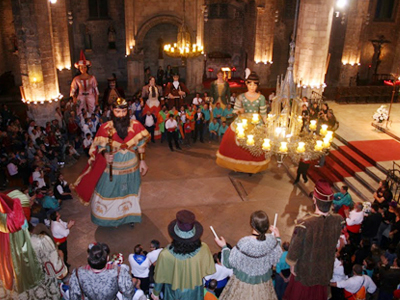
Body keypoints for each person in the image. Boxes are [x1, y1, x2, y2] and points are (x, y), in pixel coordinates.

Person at [73, 97, 149, 227]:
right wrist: (105, 154)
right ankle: (107, 219)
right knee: (108, 191)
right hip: (111, 169)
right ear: (112, 111)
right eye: (117, 112)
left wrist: (142, 161)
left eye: (123, 112)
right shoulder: (104, 128)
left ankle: (130, 217)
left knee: (131, 191)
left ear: (128, 111)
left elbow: (141, 143)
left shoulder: (136, 126)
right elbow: (96, 147)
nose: (120, 115)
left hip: (132, 168)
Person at [283, 180, 343, 300]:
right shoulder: (338, 220)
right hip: (324, 271)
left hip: (306, 272)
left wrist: (292, 265)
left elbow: (294, 250)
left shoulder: (304, 224)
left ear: (314, 200)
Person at [214, 210, 282, 300]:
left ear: (252, 224)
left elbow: (229, 263)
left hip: (242, 284)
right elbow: (276, 256)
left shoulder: (244, 243)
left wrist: (224, 247)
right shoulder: (271, 240)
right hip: (263, 284)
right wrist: (277, 237)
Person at [152, 210, 215, 300]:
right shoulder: (203, 248)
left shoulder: (165, 254)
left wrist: (156, 293)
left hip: (173, 292)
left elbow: (159, 277)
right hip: (195, 290)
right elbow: (208, 271)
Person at [216, 71, 269, 173]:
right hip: (242, 120)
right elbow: (235, 110)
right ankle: (237, 165)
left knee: (257, 143)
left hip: (256, 121)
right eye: (250, 84)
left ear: (257, 85)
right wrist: (240, 111)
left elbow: (263, 113)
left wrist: (267, 125)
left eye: (255, 84)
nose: (252, 87)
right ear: (246, 84)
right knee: (235, 139)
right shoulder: (241, 97)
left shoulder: (261, 98)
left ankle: (252, 167)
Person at [69, 243, 135, 300]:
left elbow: (73, 296)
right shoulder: (119, 272)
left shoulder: (78, 273)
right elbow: (129, 292)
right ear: (107, 258)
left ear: (88, 256)